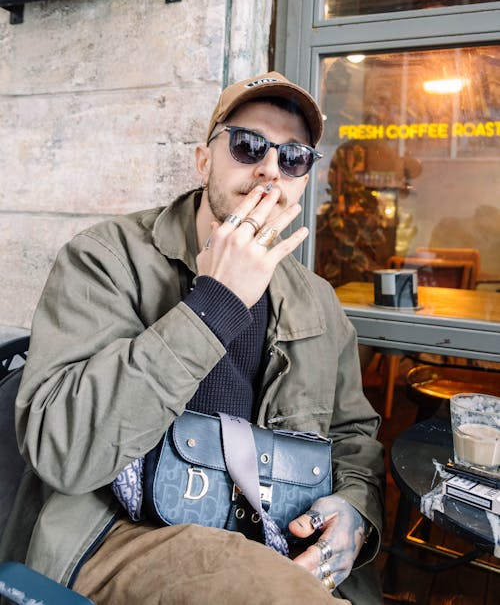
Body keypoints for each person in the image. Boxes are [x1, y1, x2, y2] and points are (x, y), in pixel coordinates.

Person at [2, 72, 385, 604]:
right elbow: (62, 450)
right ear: (204, 161)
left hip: (274, 544)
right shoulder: (107, 259)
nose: (270, 169)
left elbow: (353, 437)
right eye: (249, 145)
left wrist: (355, 510)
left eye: (294, 157)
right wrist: (214, 306)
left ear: (304, 180)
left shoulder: (318, 301)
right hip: (123, 533)